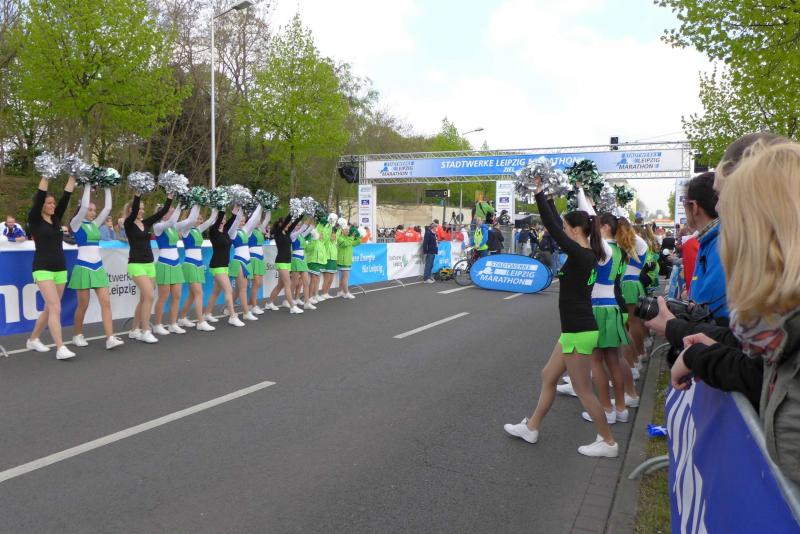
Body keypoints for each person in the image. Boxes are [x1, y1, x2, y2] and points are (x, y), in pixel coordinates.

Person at [669, 140, 800, 484]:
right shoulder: (772, 327)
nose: (718, 210)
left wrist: (698, 352)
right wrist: (702, 346)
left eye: (727, 204)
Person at [504, 179, 618, 458]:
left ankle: (608, 442)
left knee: (583, 390)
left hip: (579, 330)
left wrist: (540, 194)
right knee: (548, 376)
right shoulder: (588, 253)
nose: (563, 231)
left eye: (568, 228)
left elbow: (553, 227)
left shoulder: (582, 254)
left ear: (576, 231)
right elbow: (557, 223)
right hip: (573, 330)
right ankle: (531, 427)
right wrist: (549, 199)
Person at [25, 174, 77, 359]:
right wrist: (46, 175)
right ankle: (60, 348)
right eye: (49, 203)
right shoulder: (35, 219)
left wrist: (73, 176)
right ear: (41, 206)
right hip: (42, 268)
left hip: (60, 268)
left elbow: (66, 197)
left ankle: (33, 339)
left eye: (53, 203)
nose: (53, 205)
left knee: (50, 308)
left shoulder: (55, 219)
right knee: (55, 307)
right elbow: (40, 195)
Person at [68, 185, 124, 350]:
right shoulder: (76, 223)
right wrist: (87, 185)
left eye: (94, 210)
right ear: (82, 209)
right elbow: (84, 205)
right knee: (83, 305)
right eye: (90, 210)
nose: (93, 212)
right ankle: (77, 335)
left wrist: (107, 186)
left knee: (106, 302)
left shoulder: (95, 224)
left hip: (98, 267)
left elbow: (108, 208)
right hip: (83, 267)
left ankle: (110, 338)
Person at [124, 193, 173, 344]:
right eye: (139, 208)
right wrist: (137, 195)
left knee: (145, 298)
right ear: (131, 209)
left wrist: (170, 197)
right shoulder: (128, 223)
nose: (142, 211)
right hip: (136, 264)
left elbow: (162, 212)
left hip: (150, 264)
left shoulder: (146, 223)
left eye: (143, 208)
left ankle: (134, 330)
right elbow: (134, 212)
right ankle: (146, 330)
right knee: (150, 296)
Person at [152, 203, 192, 335]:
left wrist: (196, 203)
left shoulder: (174, 227)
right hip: (164, 264)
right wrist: (180, 204)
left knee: (177, 296)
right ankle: (157, 325)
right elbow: (171, 221)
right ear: (163, 214)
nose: (174, 213)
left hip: (176, 264)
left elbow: (190, 220)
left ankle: (173, 324)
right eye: (171, 211)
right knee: (163, 296)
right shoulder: (158, 227)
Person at [176, 207, 218, 332]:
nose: (199, 220)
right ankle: (201, 321)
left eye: (200, 218)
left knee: (192, 294)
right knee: (199, 293)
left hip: (199, 264)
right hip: (190, 264)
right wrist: (196, 204)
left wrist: (216, 208)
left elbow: (210, 220)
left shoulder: (198, 230)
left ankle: (182, 318)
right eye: (196, 217)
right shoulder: (185, 230)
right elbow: (190, 220)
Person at [203, 208, 246, 327]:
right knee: (229, 290)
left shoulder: (225, 230)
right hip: (217, 265)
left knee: (216, 292)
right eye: (221, 219)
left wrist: (235, 211)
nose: (223, 221)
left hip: (224, 265)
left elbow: (233, 219)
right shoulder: (213, 231)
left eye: (225, 219)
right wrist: (221, 208)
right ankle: (232, 316)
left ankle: (207, 313)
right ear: (217, 219)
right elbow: (220, 219)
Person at [229, 204, 263, 321]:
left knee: (239, 289)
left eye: (244, 221)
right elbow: (236, 220)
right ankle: (246, 312)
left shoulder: (245, 231)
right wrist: (242, 205)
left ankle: (228, 308)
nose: (242, 222)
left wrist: (260, 205)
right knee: (243, 289)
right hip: (239, 261)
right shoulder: (232, 232)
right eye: (241, 220)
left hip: (247, 262)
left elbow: (254, 220)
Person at [265, 214, 304, 313]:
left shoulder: (287, 232)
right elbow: (287, 221)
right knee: (288, 283)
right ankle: (292, 307)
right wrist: (291, 213)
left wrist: (300, 214)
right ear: (281, 224)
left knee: (280, 285)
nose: (289, 224)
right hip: (281, 261)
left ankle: (269, 303)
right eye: (287, 223)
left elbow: (294, 223)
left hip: (287, 262)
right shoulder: (278, 233)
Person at [247, 209, 271, 314]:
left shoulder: (259, 229)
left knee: (259, 284)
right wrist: (259, 208)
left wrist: (269, 207)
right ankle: (254, 305)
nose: (258, 221)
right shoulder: (249, 229)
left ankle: (249, 304)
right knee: (256, 283)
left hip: (260, 259)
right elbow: (255, 218)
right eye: (256, 220)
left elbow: (267, 218)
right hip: (253, 258)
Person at [336, 220, 361, 298]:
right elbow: (345, 244)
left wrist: (358, 236)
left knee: (343, 277)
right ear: (342, 231)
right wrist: (352, 237)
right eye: (345, 230)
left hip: (347, 260)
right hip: (343, 260)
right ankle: (346, 292)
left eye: (348, 230)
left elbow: (357, 243)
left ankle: (340, 291)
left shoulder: (348, 238)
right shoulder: (340, 238)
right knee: (345, 277)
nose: (347, 231)